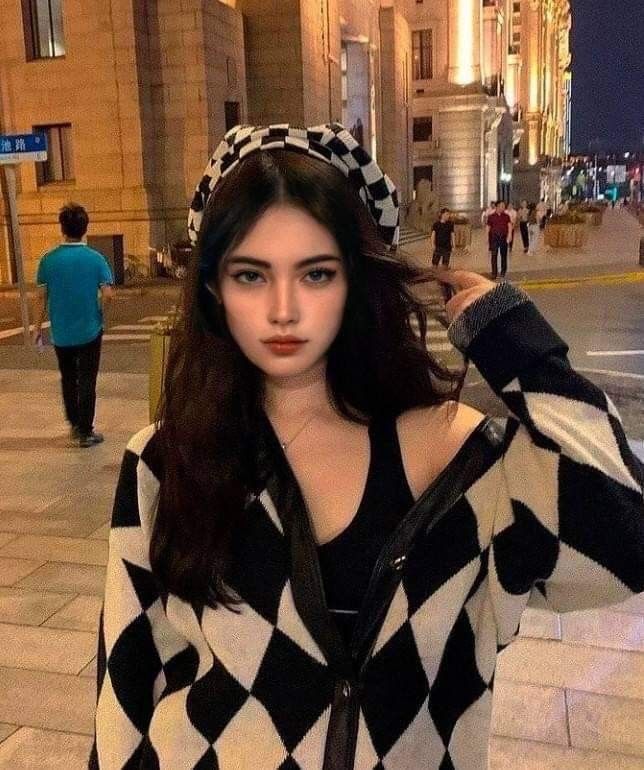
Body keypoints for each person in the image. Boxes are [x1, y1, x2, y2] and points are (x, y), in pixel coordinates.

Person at [89, 123, 644, 770]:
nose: (284, 310)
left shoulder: (457, 456)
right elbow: (126, 684)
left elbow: (625, 541)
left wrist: (516, 343)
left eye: (316, 273)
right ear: (214, 289)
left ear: (356, 279)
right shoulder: (166, 460)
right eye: (251, 275)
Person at [34, 203, 114, 448]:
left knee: (68, 377)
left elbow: (40, 297)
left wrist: (37, 327)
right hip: (90, 329)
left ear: (62, 228)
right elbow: (108, 294)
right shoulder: (96, 259)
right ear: (85, 228)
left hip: (61, 332)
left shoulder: (48, 260)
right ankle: (86, 431)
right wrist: (101, 313)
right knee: (88, 379)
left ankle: (74, 423)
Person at [486, 199, 512, 279]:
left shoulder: (506, 216)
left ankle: (503, 271)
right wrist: (486, 237)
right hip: (494, 237)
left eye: (504, 206)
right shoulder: (491, 216)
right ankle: (494, 273)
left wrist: (509, 235)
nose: (503, 207)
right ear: (497, 206)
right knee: (494, 255)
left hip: (503, 237)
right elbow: (488, 227)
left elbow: (509, 226)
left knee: (504, 255)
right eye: (502, 206)